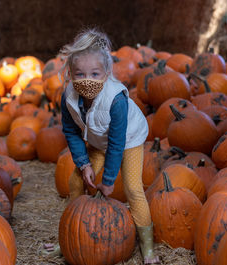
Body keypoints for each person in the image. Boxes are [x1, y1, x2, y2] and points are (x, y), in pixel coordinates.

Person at [41, 28, 160, 264]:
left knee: (133, 188)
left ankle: (148, 249)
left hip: (128, 140)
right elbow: (71, 131)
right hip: (98, 140)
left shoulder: (116, 99)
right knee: (75, 180)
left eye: (95, 73)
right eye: (80, 74)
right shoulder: (68, 98)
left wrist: (107, 182)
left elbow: (116, 143)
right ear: (71, 74)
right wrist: (84, 163)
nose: (87, 79)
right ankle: (67, 241)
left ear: (106, 73)